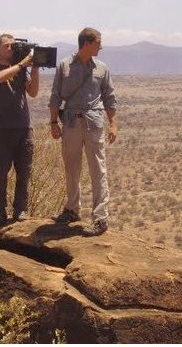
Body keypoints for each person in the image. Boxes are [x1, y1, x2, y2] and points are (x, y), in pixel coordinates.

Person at [49, 27, 117, 236]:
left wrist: (113, 123)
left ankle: (100, 218)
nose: (101, 46)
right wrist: (53, 122)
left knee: (98, 169)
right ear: (86, 43)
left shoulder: (102, 68)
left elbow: (109, 97)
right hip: (70, 122)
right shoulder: (64, 66)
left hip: (94, 122)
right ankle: (72, 209)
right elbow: (55, 96)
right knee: (72, 168)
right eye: (98, 42)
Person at [0, 33, 39, 224]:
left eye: (12, 46)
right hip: (3, 129)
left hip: (24, 128)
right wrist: (23, 64)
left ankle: (20, 209)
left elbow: (33, 92)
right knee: (0, 173)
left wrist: (36, 67)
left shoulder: (20, 69)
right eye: (7, 46)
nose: (10, 49)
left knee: (24, 172)